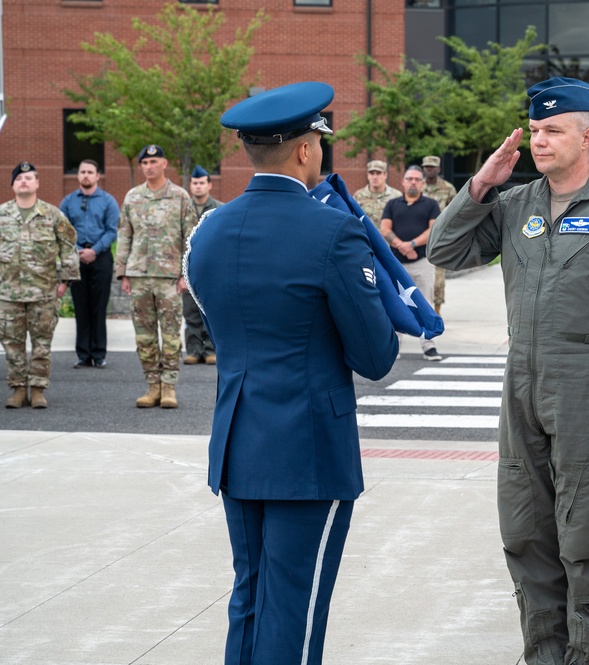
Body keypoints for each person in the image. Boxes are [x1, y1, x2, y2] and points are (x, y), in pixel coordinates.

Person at [427, 76, 589, 665]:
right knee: (525, 532)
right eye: (535, 130)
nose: (540, 140)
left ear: (586, 135)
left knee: (585, 540)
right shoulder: (516, 204)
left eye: (553, 130)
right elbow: (444, 252)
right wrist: (481, 185)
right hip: (523, 388)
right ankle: (544, 655)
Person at [184, 80, 398, 665]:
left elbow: (228, 320)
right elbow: (376, 357)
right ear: (306, 149)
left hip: (238, 440)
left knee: (250, 599)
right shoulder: (333, 231)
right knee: (294, 608)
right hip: (307, 450)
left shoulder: (209, 232)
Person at [116, 144, 197, 409]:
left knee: (172, 334)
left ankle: (169, 387)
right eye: (145, 163)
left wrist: (186, 274)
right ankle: (152, 386)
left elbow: (191, 238)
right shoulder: (132, 197)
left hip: (169, 277)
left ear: (164, 164)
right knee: (144, 336)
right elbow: (124, 236)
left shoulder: (180, 196)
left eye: (154, 161)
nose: (149, 166)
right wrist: (123, 273)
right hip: (139, 276)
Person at [1, 162, 80, 408]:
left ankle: (37, 389)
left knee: (42, 344)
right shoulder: (2, 215)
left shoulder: (53, 215)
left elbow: (69, 248)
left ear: (37, 183)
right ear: (12, 184)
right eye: (19, 178)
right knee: (12, 344)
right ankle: (17, 389)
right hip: (8, 294)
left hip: (43, 293)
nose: (23, 181)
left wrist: (64, 282)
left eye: (28, 178)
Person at [60, 159, 118, 369]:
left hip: (100, 257)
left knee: (98, 307)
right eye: (82, 171)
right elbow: (63, 229)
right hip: (76, 258)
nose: (86, 175)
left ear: (97, 176)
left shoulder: (108, 201)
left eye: (90, 172)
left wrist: (94, 250)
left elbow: (112, 230)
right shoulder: (67, 202)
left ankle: (99, 354)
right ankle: (83, 355)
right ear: (78, 176)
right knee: (81, 307)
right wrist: (78, 250)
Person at [380, 165, 443, 361]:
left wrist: (412, 244)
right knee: (394, 304)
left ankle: (428, 345)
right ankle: (394, 346)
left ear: (423, 183)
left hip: (422, 262)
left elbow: (434, 229)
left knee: (425, 303)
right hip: (396, 265)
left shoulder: (431, 204)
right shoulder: (392, 204)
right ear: (403, 182)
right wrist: (401, 246)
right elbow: (384, 228)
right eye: (410, 179)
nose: (413, 182)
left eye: (417, 179)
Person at [182, 165, 222, 366]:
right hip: (187, 268)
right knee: (190, 312)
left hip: (210, 270)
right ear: (190, 186)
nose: (198, 187)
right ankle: (194, 350)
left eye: (201, 183)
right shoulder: (183, 207)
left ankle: (210, 350)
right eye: (195, 183)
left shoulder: (219, 209)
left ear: (209, 185)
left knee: (209, 310)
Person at [422, 155, 457, 315]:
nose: (429, 169)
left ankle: (436, 312)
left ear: (438, 169)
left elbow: (455, 213)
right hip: (419, 237)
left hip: (439, 240)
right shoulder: (418, 186)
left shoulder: (447, 188)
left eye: (432, 167)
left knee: (438, 280)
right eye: (426, 167)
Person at [352, 159, 400, 223]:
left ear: (385, 175)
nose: (375, 177)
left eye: (378, 173)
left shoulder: (396, 196)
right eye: (371, 173)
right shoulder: (358, 196)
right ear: (368, 175)